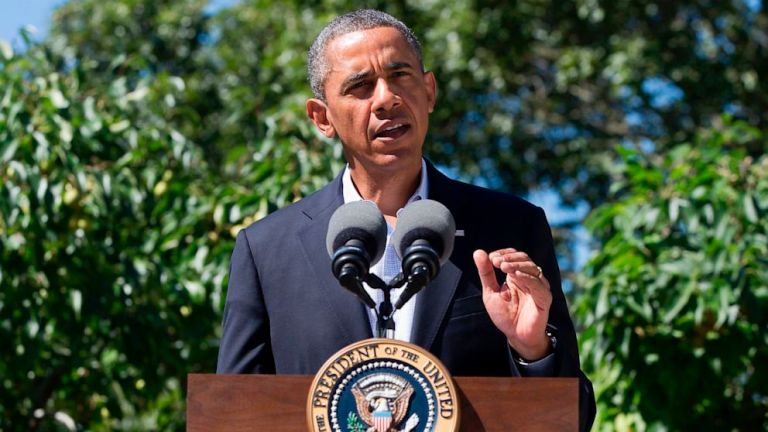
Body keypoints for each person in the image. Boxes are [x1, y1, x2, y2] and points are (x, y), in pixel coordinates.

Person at [217, 9, 595, 430]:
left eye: (400, 77)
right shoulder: (268, 249)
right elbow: (234, 411)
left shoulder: (509, 227)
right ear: (322, 117)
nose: (386, 98)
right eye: (360, 86)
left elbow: (573, 417)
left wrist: (532, 350)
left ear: (429, 91)